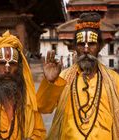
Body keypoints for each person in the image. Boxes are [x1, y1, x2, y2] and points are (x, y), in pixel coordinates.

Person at [37, 12, 119, 140]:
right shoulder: (63, 77)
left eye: (91, 44)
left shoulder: (115, 80)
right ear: (75, 46)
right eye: (81, 44)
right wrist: (50, 82)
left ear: (99, 46)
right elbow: (43, 108)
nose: (86, 50)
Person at [0, 31, 46, 140]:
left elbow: (39, 132)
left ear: (19, 68)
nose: (7, 69)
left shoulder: (28, 101)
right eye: (1, 63)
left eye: (12, 64)